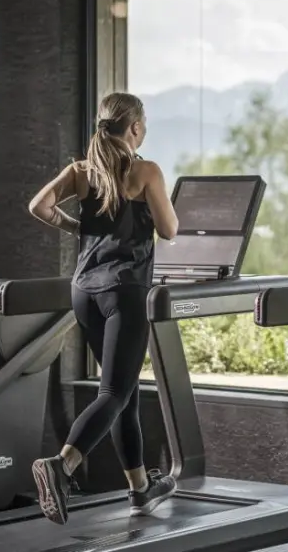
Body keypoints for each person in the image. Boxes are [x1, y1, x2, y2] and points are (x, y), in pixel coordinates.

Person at [27, 93, 180, 525]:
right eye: (143, 125)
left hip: (85, 291)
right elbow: (169, 230)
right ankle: (62, 465)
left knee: (122, 395)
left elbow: (39, 206)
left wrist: (79, 226)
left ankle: (139, 490)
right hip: (125, 291)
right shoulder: (145, 170)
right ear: (134, 129)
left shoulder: (81, 172)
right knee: (114, 393)